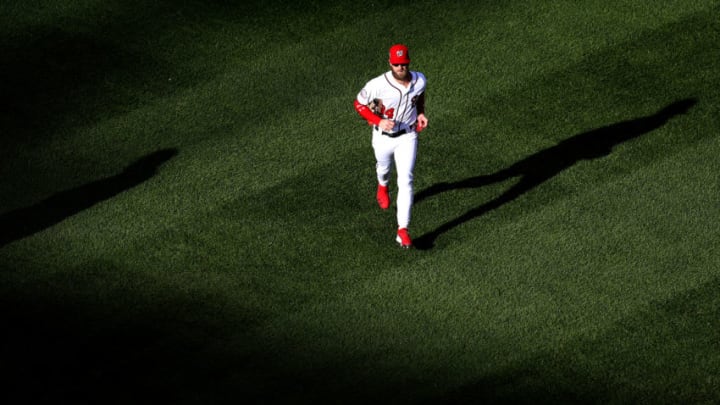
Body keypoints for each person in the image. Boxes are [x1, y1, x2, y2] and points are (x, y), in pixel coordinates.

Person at [353, 44, 428, 248]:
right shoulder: (377, 84)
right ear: (390, 63)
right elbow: (358, 104)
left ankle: (402, 230)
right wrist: (378, 121)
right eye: (396, 64)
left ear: (408, 62)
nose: (400, 67)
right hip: (383, 138)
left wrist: (420, 113)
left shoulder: (420, 79)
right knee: (383, 168)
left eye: (403, 64)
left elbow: (419, 96)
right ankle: (382, 185)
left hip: (408, 136)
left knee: (406, 180)